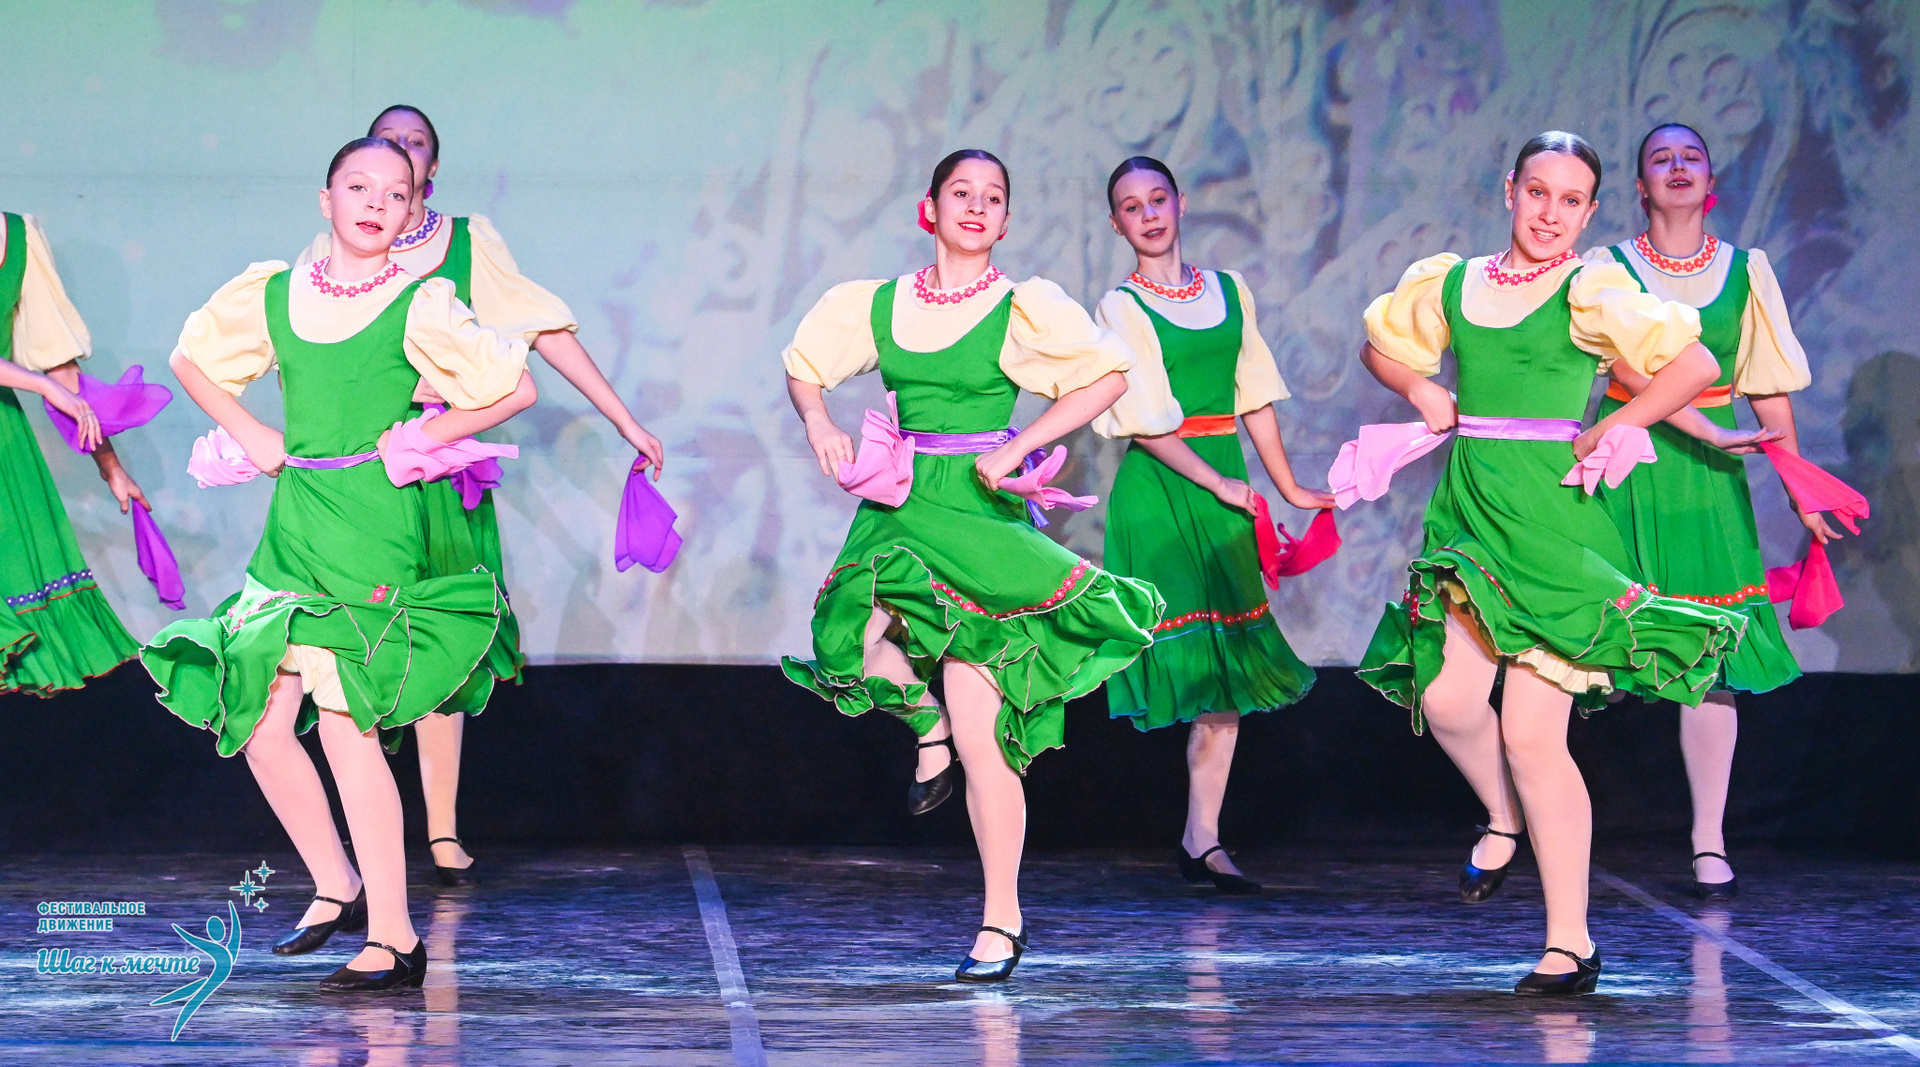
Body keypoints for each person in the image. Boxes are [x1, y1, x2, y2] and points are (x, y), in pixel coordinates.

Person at [1354, 131, 1747, 995]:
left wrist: (1618, 420)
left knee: (1533, 734)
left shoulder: (1590, 287)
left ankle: (1570, 942)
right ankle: (1502, 816)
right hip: (1472, 513)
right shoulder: (1454, 282)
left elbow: (1694, 363)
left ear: (1591, 210)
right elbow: (1382, 343)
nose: (1550, 213)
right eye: (1538, 193)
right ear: (1510, 190)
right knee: (1446, 698)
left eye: (1571, 201)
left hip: (1555, 524)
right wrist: (1419, 386)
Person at [144, 137, 537, 992]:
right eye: (358, 187)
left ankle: (396, 935)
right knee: (258, 715)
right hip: (296, 518)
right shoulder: (276, 292)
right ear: (326, 199)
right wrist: (252, 431)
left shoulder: (420, 302)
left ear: (411, 210)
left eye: (395, 194)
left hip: (371, 522)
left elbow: (515, 387)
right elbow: (189, 359)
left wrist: (424, 435)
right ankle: (339, 882)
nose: (375, 203)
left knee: (345, 721)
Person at [780, 149, 1163, 981]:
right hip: (902, 507)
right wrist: (819, 422)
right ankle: (926, 726)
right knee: (844, 642)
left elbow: (1106, 377)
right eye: (962, 192)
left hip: (980, 510)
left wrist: (1020, 447)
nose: (977, 206)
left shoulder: (1021, 307)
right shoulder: (880, 303)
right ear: (931, 207)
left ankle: (1000, 920)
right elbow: (804, 367)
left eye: (993, 197)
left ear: (1006, 220)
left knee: (985, 732)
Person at [302, 105, 666, 886]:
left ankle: (440, 828)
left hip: (440, 471)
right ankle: (357, 848)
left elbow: (544, 331)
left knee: (442, 646)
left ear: (430, 170)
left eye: (414, 144)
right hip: (357, 477)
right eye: (384, 142)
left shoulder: (468, 243)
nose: (398, 152)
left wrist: (624, 419)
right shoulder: (329, 253)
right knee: (346, 647)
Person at [1598, 122, 1832, 899]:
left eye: (1690, 156)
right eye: (1660, 158)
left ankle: (1708, 839)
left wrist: (1802, 489)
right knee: (1583, 646)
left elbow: (1767, 388)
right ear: (1640, 186)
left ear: (1711, 181)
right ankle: (1531, 814)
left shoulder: (1746, 270)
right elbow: (1629, 371)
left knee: (1710, 662)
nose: (1676, 166)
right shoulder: (1607, 269)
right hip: (1632, 459)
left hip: (1709, 479)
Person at [1090, 156, 1332, 894]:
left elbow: (1252, 395)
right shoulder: (1120, 307)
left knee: (1226, 666)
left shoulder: (1230, 291)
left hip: (1223, 480)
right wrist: (1220, 482)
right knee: (1188, 658)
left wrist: (1286, 485)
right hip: (1164, 488)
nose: (1149, 215)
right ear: (1117, 224)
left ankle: (1202, 838)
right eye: (1132, 206)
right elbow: (1145, 420)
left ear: (1181, 203)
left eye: (1157, 199)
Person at [0, 209, 151, 694]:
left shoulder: (18, 236)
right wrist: (40, 385)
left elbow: (62, 373)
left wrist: (110, 464)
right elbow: (49, 384)